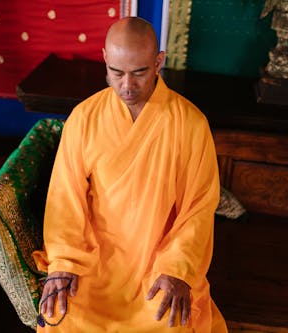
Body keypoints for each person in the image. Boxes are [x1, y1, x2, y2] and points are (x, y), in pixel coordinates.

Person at [31, 16, 228, 332]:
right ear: (105, 60)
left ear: (158, 62)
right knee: (63, 319)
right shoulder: (84, 119)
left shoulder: (191, 124)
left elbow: (199, 207)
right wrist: (64, 263)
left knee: (169, 321)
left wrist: (177, 269)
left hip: (157, 263)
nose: (127, 85)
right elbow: (65, 198)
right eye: (117, 73)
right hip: (95, 262)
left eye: (139, 72)